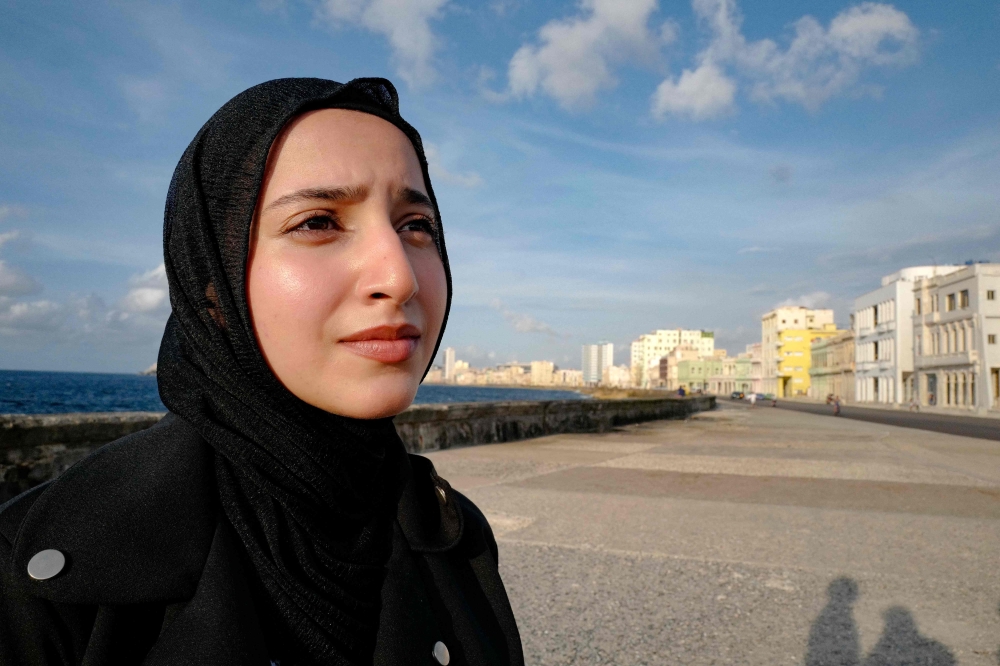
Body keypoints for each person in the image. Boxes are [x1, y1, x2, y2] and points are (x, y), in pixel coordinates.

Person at [0, 78, 523, 666]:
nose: (399, 277)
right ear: (213, 285)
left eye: (417, 226)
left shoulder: (454, 534)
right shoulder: (38, 579)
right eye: (318, 222)